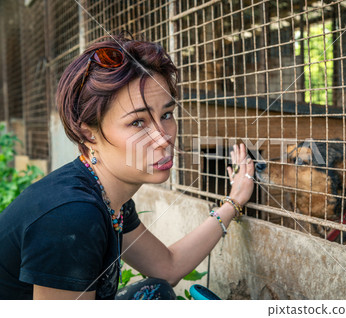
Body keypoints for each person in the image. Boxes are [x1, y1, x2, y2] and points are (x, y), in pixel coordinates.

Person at [0, 34, 254, 300]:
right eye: (137, 123)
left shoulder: (106, 196)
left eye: (166, 115)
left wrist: (233, 200)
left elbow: (167, 267)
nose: (163, 137)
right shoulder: (73, 215)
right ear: (89, 134)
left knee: (156, 292)